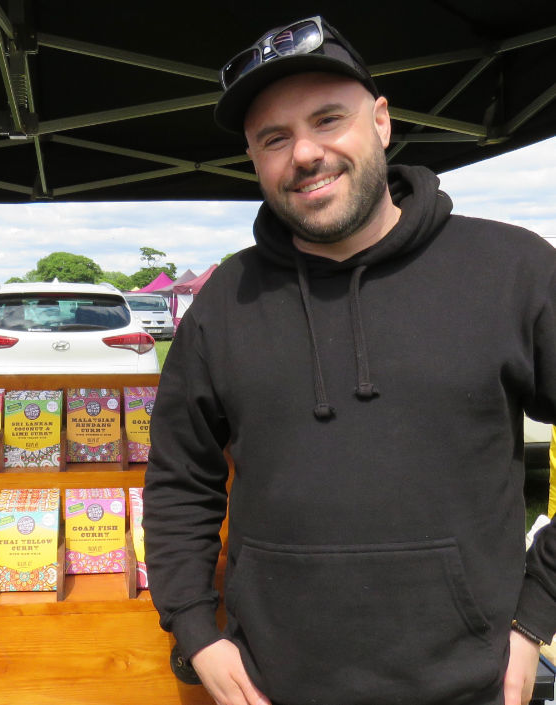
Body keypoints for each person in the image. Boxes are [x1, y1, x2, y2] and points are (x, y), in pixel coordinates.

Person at [143, 15, 556, 705]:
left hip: (471, 686)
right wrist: (193, 627)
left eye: (328, 120)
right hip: (273, 687)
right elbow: (180, 477)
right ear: (255, 159)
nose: (304, 153)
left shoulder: (513, 271)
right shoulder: (226, 299)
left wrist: (536, 612)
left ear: (383, 122)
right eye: (273, 139)